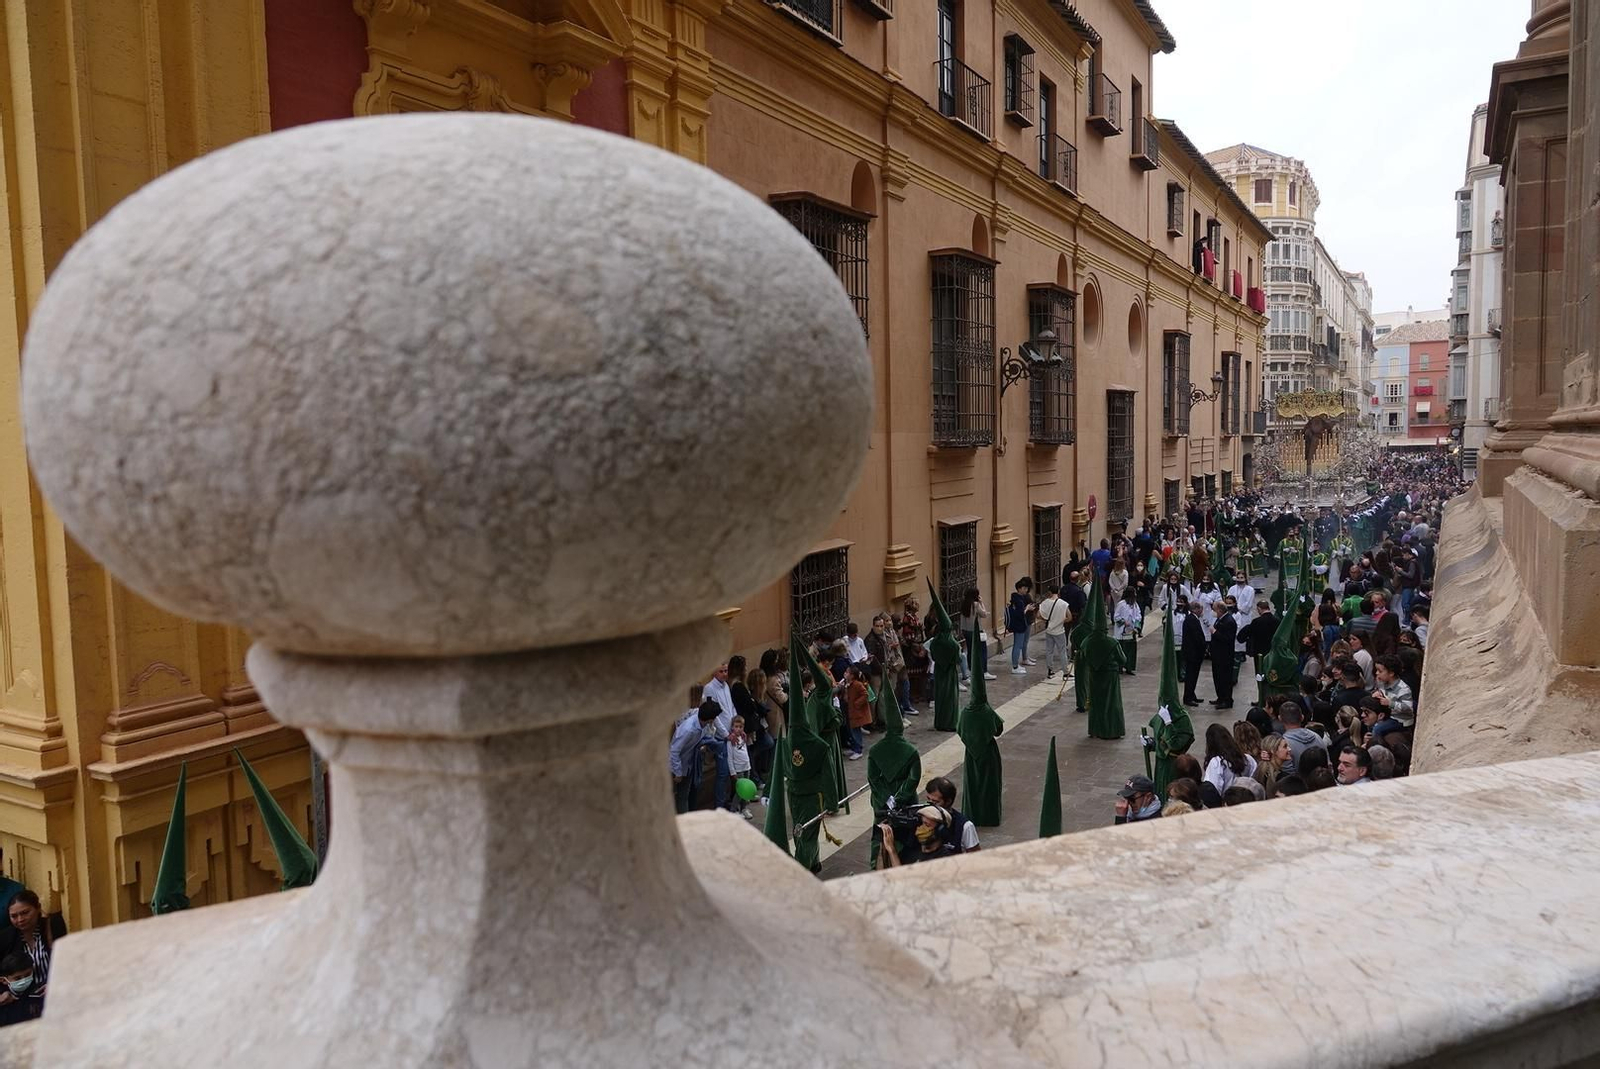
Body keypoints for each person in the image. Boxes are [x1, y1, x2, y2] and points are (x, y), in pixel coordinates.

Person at [0, 891, 64, 1004]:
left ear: (38, 908)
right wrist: (3, 994)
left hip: (56, 997)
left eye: (25, 913)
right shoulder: (6, 939)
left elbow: (68, 961)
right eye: (14, 916)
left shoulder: (53, 927)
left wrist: (56, 984)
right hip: (21, 1004)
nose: (20, 919)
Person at [669, 701, 719, 813]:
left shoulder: (702, 724)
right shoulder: (689, 729)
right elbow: (674, 750)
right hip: (677, 766)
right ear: (710, 719)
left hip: (688, 764)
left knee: (684, 795)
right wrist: (678, 772)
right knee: (679, 797)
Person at [874, 805, 955, 868]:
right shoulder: (911, 850)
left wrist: (892, 851)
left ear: (940, 830)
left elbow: (905, 884)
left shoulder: (944, 859)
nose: (920, 828)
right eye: (920, 823)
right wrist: (883, 845)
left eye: (926, 824)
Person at [924, 777, 980, 853]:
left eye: (935, 802)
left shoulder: (965, 826)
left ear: (948, 802)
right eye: (928, 799)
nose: (930, 805)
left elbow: (975, 856)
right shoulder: (920, 818)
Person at [1201, 722, 1257, 796]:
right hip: (1246, 800)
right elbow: (1254, 781)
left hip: (1226, 804)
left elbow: (1213, 791)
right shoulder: (1248, 759)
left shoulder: (1216, 763)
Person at [1036, 581, 1072, 679]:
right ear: (1058, 592)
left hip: (1049, 630)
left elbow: (1038, 615)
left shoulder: (1045, 603)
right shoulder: (1063, 604)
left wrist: (1046, 619)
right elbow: (1069, 617)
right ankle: (1065, 672)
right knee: (1062, 651)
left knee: (1049, 651)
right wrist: (1061, 621)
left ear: (1050, 592)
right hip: (1059, 630)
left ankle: (1050, 671)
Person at [1278, 702, 1327, 771]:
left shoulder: (1283, 745)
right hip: (1320, 780)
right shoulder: (1317, 737)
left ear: (1280, 718)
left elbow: (1287, 773)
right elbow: (1328, 764)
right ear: (1302, 717)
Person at [1209, 596, 1238, 708]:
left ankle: (1227, 700)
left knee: (1225, 679)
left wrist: (1215, 632)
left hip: (1224, 656)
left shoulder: (1229, 621)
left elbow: (1228, 639)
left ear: (1220, 610)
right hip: (1217, 655)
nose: (1213, 612)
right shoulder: (1220, 619)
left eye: (1215, 610)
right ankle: (1220, 697)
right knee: (1218, 678)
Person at [1372, 654, 1415, 727]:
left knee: (1377, 729)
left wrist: (1390, 703)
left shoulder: (1403, 689)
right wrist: (1376, 693)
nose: (1377, 673)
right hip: (1388, 716)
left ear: (1391, 673)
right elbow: (1380, 691)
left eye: (1380, 671)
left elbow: (1408, 708)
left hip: (1401, 720)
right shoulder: (1382, 683)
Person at [0, 951, 42, 1026]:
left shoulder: (40, 992)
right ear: (4, 980)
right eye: (17, 978)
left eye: (27, 975)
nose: (23, 980)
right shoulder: (3, 1000)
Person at [1179, 599, 1207, 706]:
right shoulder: (1191, 620)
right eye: (1201, 609)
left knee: (1194, 676)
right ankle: (1188, 697)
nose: (1202, 611)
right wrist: (1204, 646)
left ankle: (1192, 694)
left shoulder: (1193, 619)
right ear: (1196, 609)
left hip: (1194, 653)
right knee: (1191, 676)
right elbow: (1197, 637)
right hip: (1192, 654)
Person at [1006, 577, 1036, 675]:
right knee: (1017, 646)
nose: (1026, 590)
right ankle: (1015, 666)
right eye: (1024, 588)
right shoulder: (1019, 601)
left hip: (1017, 625)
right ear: (1019, 588)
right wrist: (1027, 608)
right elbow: (1020, 613)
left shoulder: (1016, 598)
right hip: (1019, 625)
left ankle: (1016, 665)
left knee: (1017, 645)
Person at [725, 715, 753, 818]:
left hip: (746, 766)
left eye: (740, 727)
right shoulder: (730, 741)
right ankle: (733, 810)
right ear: (732, 727)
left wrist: (748, 765)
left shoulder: (743, 737)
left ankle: (744, 808)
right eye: (736, 727)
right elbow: (730, 757)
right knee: (740, 791)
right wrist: (733, 772)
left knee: (746, 790)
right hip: (738, 769)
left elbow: (745, 751)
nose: (738, 729)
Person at [842, 663, 871, 760]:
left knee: (856, 731)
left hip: (856, 712)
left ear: (852, 675)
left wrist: (856, 704)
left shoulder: (857, 685)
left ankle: (858, 750)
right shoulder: (847, 684)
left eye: (847, 672)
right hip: (850, 712)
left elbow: (865, 695)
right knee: (852, 731)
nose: (845, 674)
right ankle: (855, 748)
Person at [703, 661, 736, 738]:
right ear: (714, 672)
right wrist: (726, 734)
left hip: (732, 731)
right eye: (721, 671)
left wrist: (736, 725)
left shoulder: (726, 685)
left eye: (726, 671)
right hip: (720, 735)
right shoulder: (709, 688)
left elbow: (731, 706)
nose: (724, 674)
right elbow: (713, 715)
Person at [1113, 588, 1142, 674]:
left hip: (1131, 631)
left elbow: (1138, 616)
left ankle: (1129, 667)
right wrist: (1123, 621)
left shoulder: (1135, 605)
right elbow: (1116, 616)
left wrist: (1136, 627)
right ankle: (1120, 667)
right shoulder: (1121, 604)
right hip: (1121, 632)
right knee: (1122, 649)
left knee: (1131, 650)